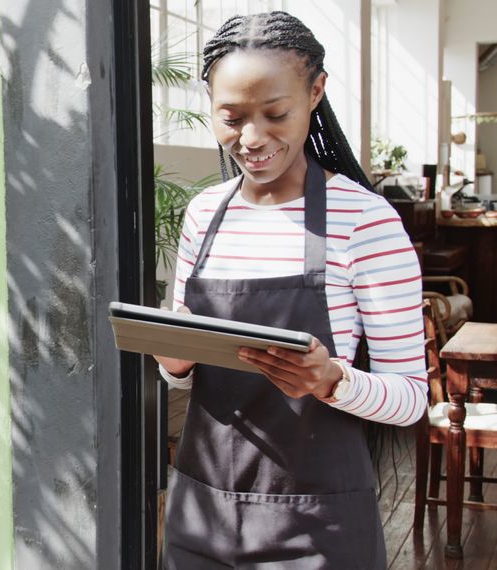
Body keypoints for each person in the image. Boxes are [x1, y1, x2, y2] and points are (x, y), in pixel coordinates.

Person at [154, 12, 427, 569]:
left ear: (316, 92)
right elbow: (183, 368)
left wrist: (333, 381)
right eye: (231, 118)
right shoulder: (206, 213)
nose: (251, 139)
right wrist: (174, 361)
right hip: (199, 512)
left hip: (315, 525)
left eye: (275, 114)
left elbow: (411, 398)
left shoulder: (365, 220)